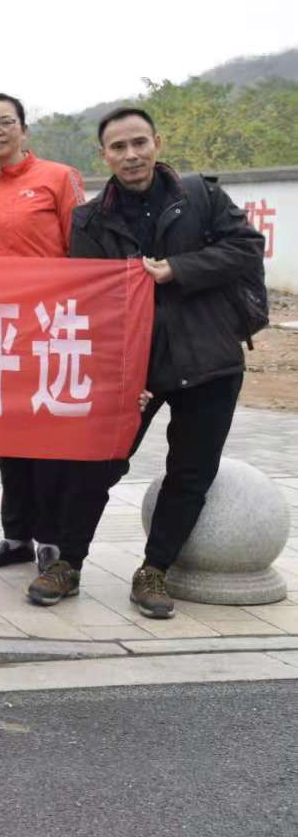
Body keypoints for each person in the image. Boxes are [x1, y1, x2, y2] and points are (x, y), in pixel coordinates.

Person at [43, 107, 265, 617]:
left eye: (139, 143)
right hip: (133, 367)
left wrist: (178, 269)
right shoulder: (90, 220)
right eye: (118, 147)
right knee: (95, 465)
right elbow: (91, 303)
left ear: (157, 143)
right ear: (104, 155)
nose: (131, 155)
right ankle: (67, 563)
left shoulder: (201, 197)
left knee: (190, 473)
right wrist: (114, 375)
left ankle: (154, 570)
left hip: (209, 359)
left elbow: (246, 249)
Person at [0, 92, 86, 575]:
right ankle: (16, 536)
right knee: (8, 433)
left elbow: (82, 250)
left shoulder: (59, 178)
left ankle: (51, 538)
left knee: (49, 436)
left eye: (6, 122)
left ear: (24, 130)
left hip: (52, 328)